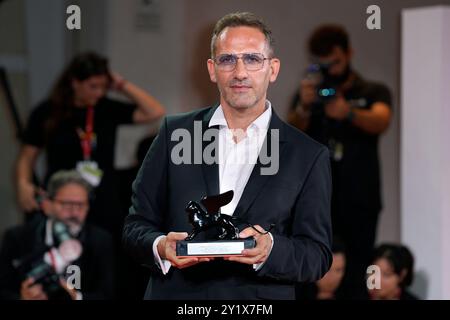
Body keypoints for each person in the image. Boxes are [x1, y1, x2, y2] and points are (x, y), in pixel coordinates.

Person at [123, 12, 332, 300]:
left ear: (273, 69)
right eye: (227, 59)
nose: (240, 72)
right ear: (212, 69)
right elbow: (136, 225)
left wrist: (271, 248)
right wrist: (160, 246)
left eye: (252, 59)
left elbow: (317, 255)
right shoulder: (175, 134)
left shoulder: (307, 155)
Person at [287, 24, 392, 298]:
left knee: (356, 269)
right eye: (322, 64)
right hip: (317, 197)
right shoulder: (310, 94)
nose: (330, 70)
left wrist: (348, 113)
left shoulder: (371, 91)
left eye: (335, 62)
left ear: (348, 54)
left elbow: (381, 120)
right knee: (313, 265)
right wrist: (306, 106)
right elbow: (292, 130)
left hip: (359, 199)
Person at [15, 51, 165, 235]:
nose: (99, 92)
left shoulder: (106, 108)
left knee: (104, 252)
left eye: (103, 86)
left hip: (101, 199)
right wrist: (23, 183)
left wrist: (121, 84)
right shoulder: (47, 112)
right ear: (74, 82)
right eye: (93, 86)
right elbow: (27, 156)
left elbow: (155, 111)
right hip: (62, 196)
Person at [0, 170, 114, 300]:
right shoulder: (17, 237)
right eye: (66, 204)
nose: (74, 212)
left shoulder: (100, 240)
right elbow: (4, 290)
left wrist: (77, 297)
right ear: (47, 204)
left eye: (81, 205)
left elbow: (107, 294)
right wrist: (23, 298)